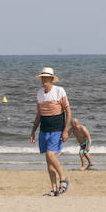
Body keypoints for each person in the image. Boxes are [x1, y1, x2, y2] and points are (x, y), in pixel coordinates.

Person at [29, 66, 71, 196]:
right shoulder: (40, 93)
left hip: (57, 129)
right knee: (48, 161)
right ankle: (54, 189)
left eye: (47, 77)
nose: (44, 79)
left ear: (51, 79)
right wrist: (33, 131)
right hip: (44, 130)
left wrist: (65, 131)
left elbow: (68, 112)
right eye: (43, 77)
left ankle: (63, 179)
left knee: (50, 155)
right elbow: (39, 114)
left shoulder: (59, 91)